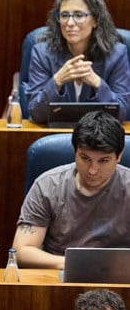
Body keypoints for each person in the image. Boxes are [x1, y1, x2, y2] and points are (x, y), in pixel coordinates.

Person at [12, 111, 130, 269]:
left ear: (119, 156)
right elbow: (21, 251)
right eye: (85, 158)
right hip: (59, 271)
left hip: (118, 274)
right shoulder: (48, 185)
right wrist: (75, 265)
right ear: (75, 152)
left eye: (103, 161)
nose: (92, 170)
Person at [24, 0, 130, 124]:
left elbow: (121, 113)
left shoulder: (116, 54)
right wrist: (57, 81)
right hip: (54, 133)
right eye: (64, 15)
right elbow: (36, 113)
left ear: (95, 20)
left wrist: (97, 82)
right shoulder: (43, 53)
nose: (70, 23)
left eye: (79, 15)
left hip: (98, 135)